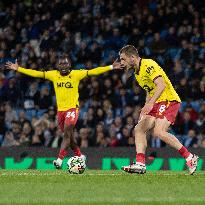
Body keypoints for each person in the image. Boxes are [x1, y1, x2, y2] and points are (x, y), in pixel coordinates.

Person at [6, 55, 121, 169]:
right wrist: (18, 69)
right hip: (60, 111)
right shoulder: (54, 75)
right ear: (58, 65)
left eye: (65, 63)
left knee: (67, 132)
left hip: (72, 109)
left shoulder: (76, 74)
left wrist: (111, 67)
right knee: (69, 137)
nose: (63, 65)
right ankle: (80, 156)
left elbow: (93, 71)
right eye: (61, 63)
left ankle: (59, 159)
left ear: (69, 64)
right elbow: (37, 73)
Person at [119, 45, 198, 175]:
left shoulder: (148, 65)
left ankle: (190, 157)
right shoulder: (137, 73)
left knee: (159, 132)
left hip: (168, 99)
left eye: (123, 59)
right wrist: (145, 109)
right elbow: (149, 91)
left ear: (132, 57)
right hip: (156, 102)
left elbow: (161, 85)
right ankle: (140, 164)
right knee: (139, 129)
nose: (121, 63)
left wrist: (150, 104)